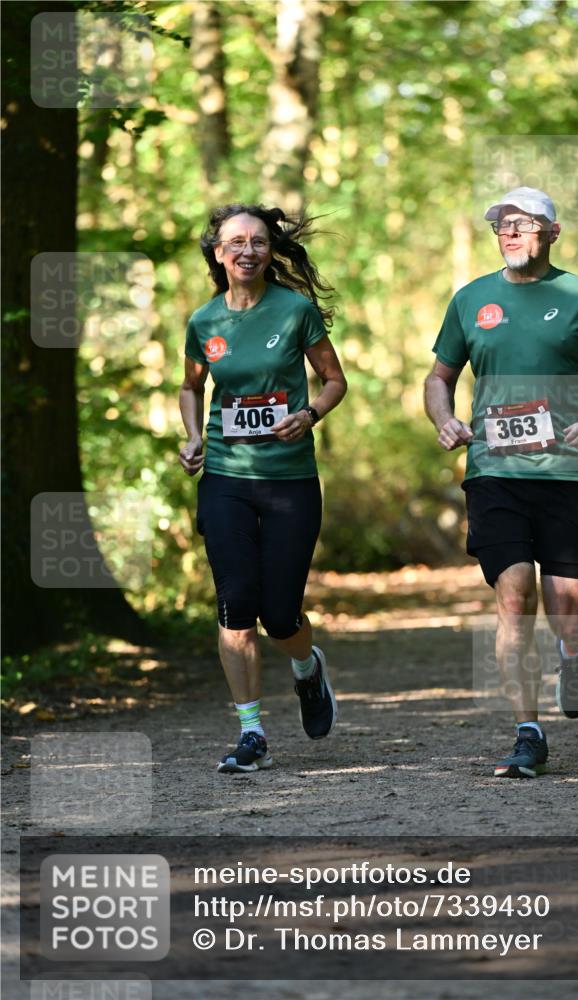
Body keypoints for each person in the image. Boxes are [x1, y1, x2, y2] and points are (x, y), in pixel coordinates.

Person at [425, 186, 578, 778]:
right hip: (495, 471)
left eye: (524, 224)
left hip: (567, 474)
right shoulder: (471, 299)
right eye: (503, 225)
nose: (512, 233)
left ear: (552, 232)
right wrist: (444, 418)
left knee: (566, 608)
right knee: (514, 593)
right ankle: (528, 733)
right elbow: (439, 377)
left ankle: (574, 649)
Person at [179, 203, 347, 773]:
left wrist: (310, 414)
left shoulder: (295, 310)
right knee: (236, 605)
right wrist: (192, 436)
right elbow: (190, 387)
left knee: (279, 614)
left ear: (270, 250)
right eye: (236, 242)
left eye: (258, 241)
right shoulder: (204, 322)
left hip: (289, 480)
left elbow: (334, 380)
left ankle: (307, 670)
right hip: (226, 477)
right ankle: (251, 733)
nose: (247, 250)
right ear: (218, 253)